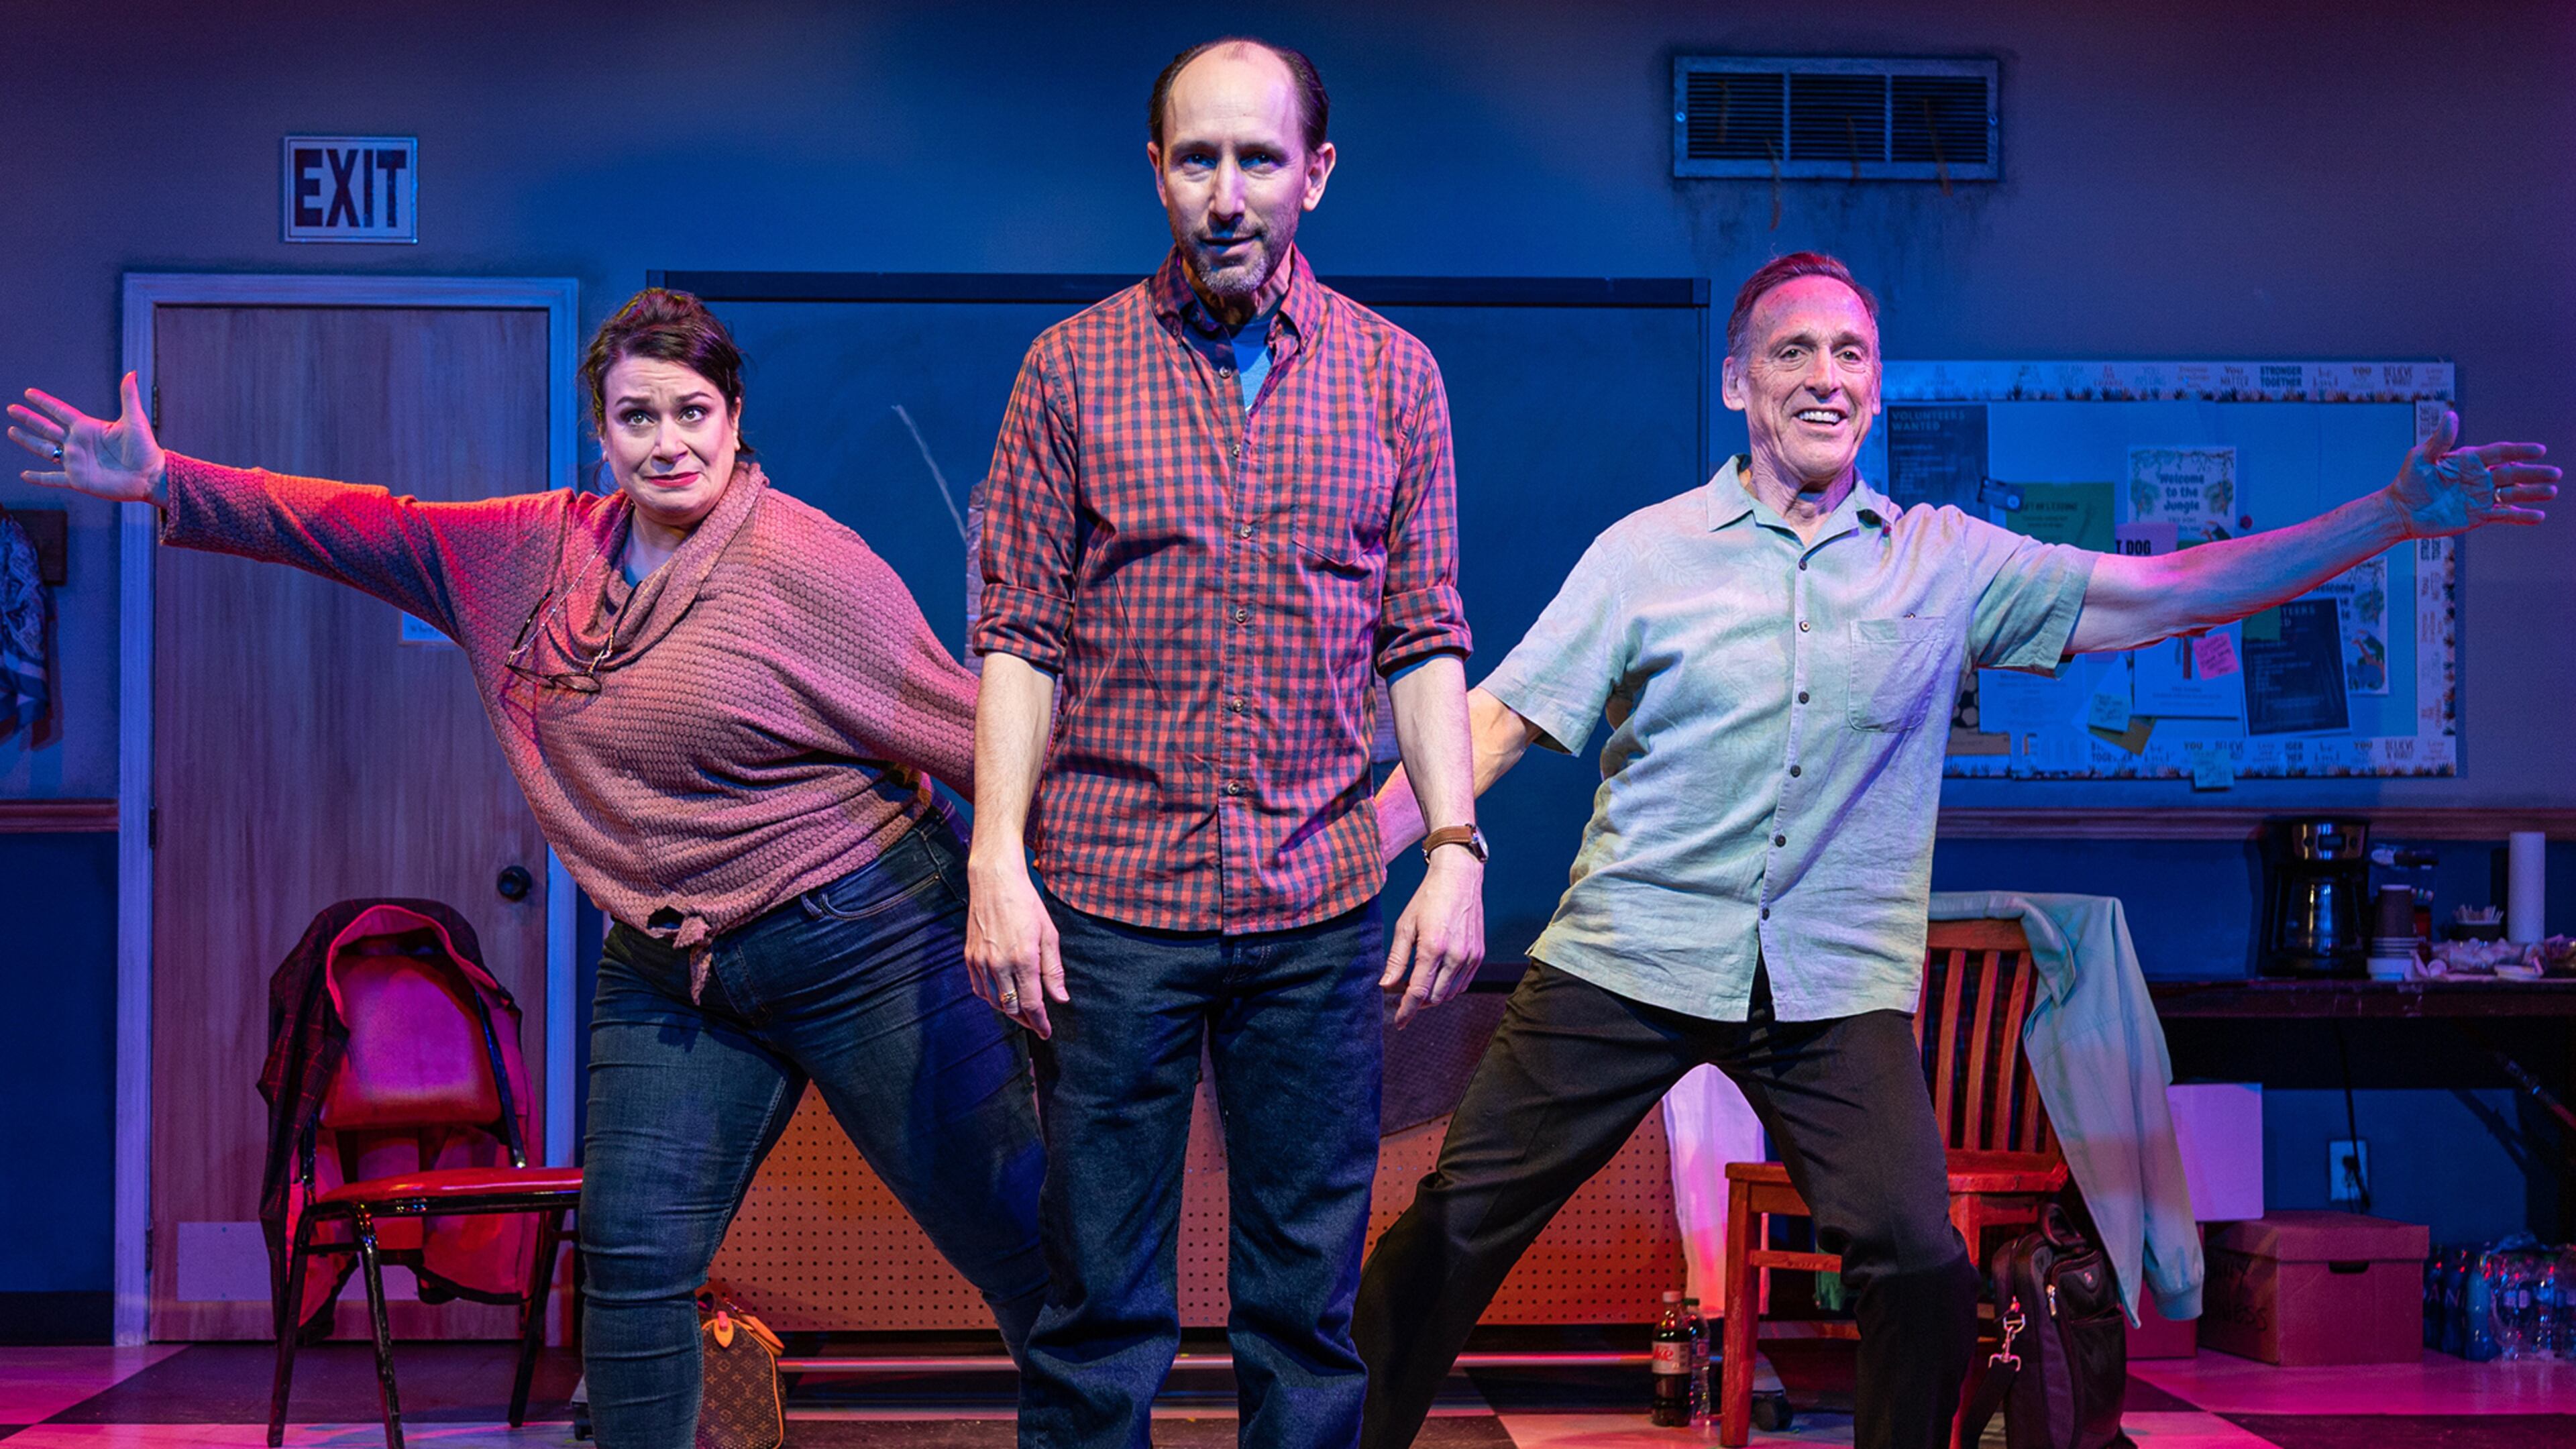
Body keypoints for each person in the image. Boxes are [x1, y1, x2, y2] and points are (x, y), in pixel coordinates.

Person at [1350, 252, 2558, 1449]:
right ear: (1736, 383)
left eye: (1851, 354)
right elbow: (1499, 719)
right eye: (1792, 351)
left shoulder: (1947, 557)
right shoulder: (1646, 553)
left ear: (1877, 387)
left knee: (1922, 1268)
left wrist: (2387, 519)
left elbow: (2170, 592)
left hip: (1832, 983)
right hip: (1632, 948)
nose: (1825, 377)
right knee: (1452, 1230)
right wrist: (1356, 859)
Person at [9, 290, 1051, 1448]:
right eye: (637, 416)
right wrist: (168, 481)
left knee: (1020, 1248)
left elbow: (976, 733)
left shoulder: (811, 566)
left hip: (862, 933)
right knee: (632, 1261)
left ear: (737, 415)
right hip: (672, 968)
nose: (670, 442)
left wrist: (1049, 886)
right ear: (598, 435)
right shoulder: (528, 553)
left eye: (694, 412)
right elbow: (363, 527)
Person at [965, 36, 1485, 1449]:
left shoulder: (1395, 377)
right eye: (1198, 159)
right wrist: (995, 863)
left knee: (1304, 1315)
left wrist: (1453, 847)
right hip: (1108, 906)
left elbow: (1423, 636)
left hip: (1316, 906)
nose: (1228, 192)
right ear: (1157, 174)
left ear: (1316, 172)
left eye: (1260, 158)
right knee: (1097, 1312)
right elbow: (1019, 636)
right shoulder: (1069, 372)